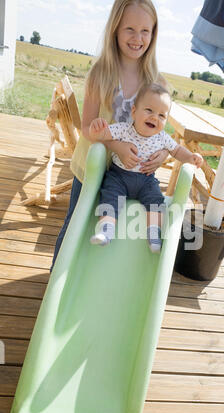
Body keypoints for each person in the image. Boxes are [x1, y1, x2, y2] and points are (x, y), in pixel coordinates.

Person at [50, 0, 169, 270]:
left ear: (154, 34)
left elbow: (161, 132)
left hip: (132, 174)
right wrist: (117, 146)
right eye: (129, 29)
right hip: (92, 166)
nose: (137, 38)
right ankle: (56, 278)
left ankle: (99, 279)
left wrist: (161, 155)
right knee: (76, 221)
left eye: (145, 31)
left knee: (124, 225)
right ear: (115, 29)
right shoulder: (101, 73)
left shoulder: (157, 82)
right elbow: (87, 125)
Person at [89, 83, 203, 253]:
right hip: (119, 176)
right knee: (110, 196)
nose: (155, 118)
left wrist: (190, 157)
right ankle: (106, 230)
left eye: (162, 115)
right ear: (134, 111)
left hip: (146, 180)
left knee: (156, 201)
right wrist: (96, 128)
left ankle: (154, 234)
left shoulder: (163, 138)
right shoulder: (124, 129)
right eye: (149, 110)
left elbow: (177, 150)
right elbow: (101, 135)